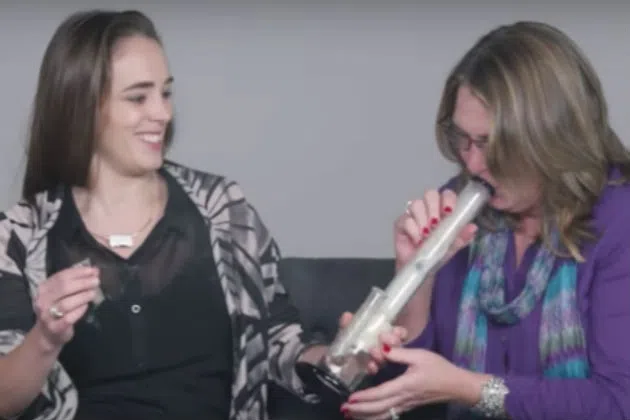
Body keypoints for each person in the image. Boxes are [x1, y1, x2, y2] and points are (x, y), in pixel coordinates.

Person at [0, 9, 403, 420]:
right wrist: (45, 339)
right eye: (138, 97)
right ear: (81, 106)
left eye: (166, 93)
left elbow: (278, 345)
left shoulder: (223, 210)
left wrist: (338, 358)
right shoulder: (20, 234)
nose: (162, 113)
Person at [341, 21, 630, 420]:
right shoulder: (464, 207)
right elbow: (410, 388)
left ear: (553, 139)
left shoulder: (619, 220)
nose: (473, 164)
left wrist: (471, 389)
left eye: (493, 144)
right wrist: (416, 279)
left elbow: (619, 403)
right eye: (463, 140)